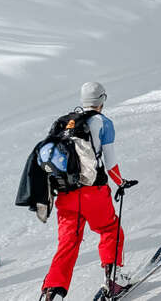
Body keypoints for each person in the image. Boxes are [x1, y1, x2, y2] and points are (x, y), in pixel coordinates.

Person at [39, 81, 136, 301]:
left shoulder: (64, 123)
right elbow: (110, 164)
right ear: (102, 100)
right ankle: (113, 281)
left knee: (67, 243)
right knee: (110, 230)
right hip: (94, 192)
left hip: (65, 193)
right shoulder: (103, 123)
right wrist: (121, 182)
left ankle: (51, 291)